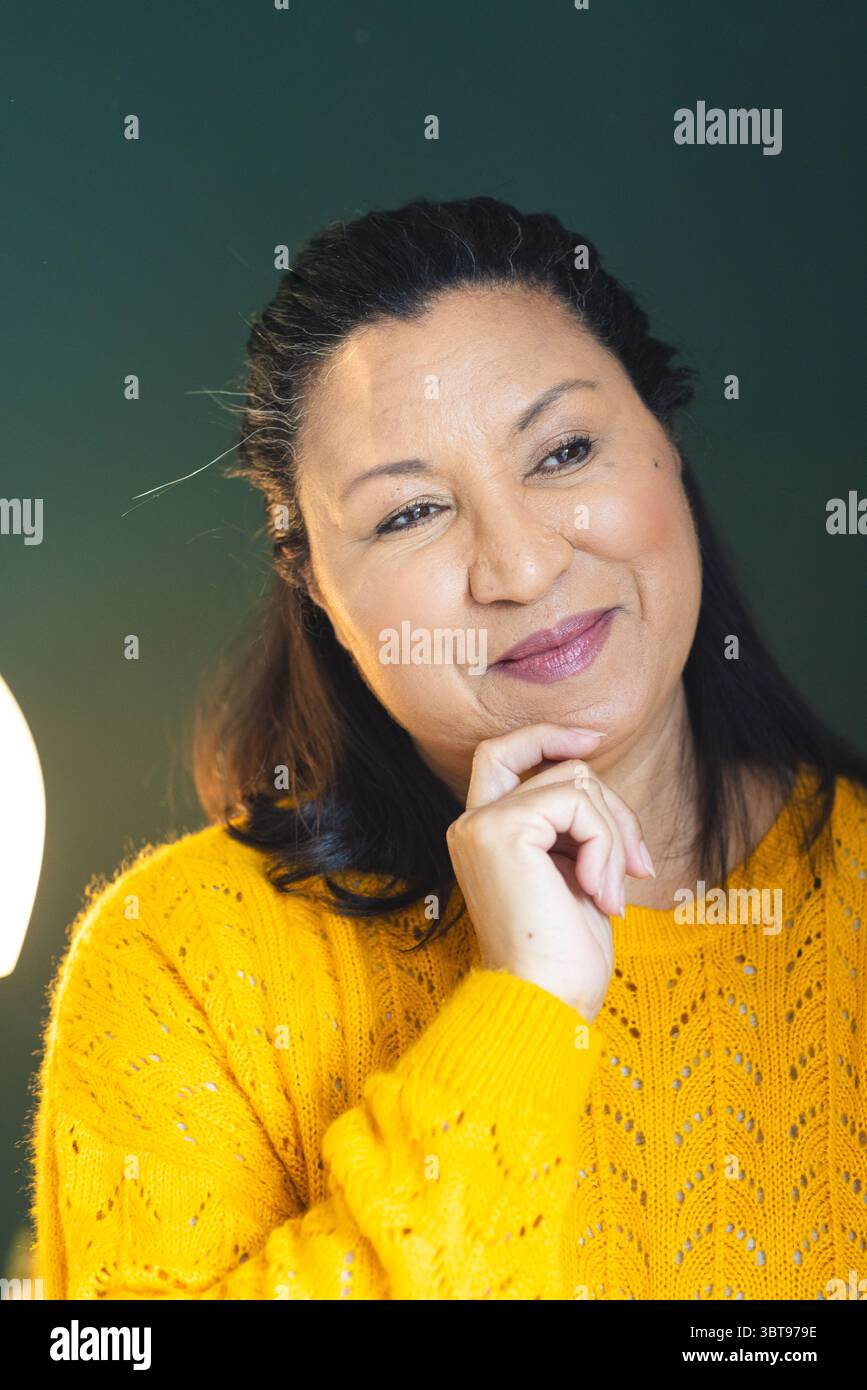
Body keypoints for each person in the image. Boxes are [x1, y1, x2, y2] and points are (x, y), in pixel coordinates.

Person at [29, 196, 867, 1300]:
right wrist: (523, 1008)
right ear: (316, 588)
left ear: (666, 439)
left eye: (565, 451)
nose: (519, 566)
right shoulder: (177, 966)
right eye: (410, 513)